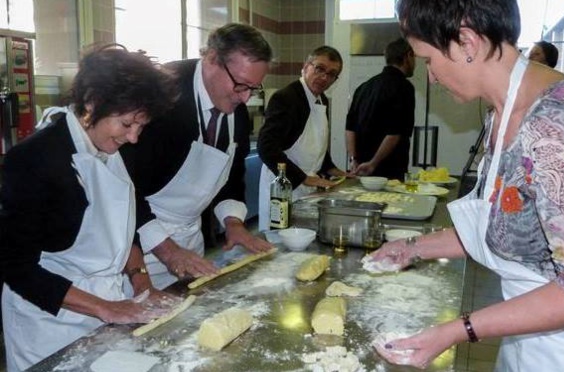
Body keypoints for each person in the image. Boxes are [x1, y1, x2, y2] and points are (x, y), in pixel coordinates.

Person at [370, 0, 564, 370]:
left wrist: (458, 329)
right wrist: (412, 248)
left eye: (427, 60)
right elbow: (504, 226)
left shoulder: (558, 128)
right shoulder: (501, 114)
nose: (430, 76)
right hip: (529, 339)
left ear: (467, 43)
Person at [0, 45, 178, 371]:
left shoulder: (111, 146)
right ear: (93, 102)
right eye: (127, 124)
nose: (134, 137)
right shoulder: (34, 159)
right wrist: (104, 308)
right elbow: (14, 267)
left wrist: (141, 284)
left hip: (109, 305)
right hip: (48, 323)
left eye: (141, 126)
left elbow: (118, 230)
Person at [120, 23, 273, 291]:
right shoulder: (160, 94)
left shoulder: (234, 104)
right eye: (240, 85)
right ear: (212, 59)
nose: (246, 97)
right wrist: (168, 251)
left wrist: (233, 222)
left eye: (254, 88)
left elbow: (231, 174)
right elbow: (124, 187)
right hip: (140, 245)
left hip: (191, 240)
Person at [257, 46, 347, 231]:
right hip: (282, 185)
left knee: (304, 237)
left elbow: (316, 143)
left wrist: (333, 169)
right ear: (306, 66)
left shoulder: (322, 99)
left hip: (308, 185)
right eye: (319, 69)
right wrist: (303, 178)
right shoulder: (286, 97)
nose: (324, 77)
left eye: (331, 74)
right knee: (280, 240)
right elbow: (266, 147)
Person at [345, 37, 416, 179]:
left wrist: (353, 160)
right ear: (408, 55)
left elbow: (350, 128)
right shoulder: (404, 87)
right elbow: (395, 133)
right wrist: (373, 163)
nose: (415, 64)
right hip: (390, 172)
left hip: (360, 170)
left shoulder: (364, 87)